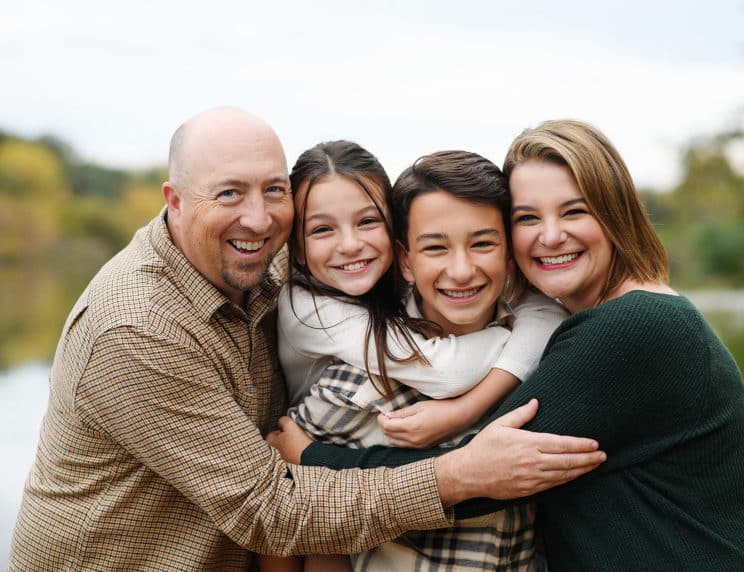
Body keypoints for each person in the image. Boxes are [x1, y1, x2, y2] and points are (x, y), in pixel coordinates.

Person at [7, 108, 607, 571]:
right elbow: (271, 511)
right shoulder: (136, 331)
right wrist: (461, 475)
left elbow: (533, 304)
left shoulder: (275, 267)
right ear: (175, 201)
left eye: (273, 190)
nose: (259, 217)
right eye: (228, 193)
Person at [274, 119, 744, 571]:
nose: (550, 236)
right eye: (529, 218)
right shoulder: (594, 319)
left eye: (573, 211)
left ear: (615, 212)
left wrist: (315, 459)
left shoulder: (634, 326)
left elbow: (481, 476)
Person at [268, 144, 568, 571]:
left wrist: (462, 410)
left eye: (367, 221)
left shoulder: (397, 304)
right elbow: (292, 500)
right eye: (321, 230)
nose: (350, 245)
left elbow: (547, 312)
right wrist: (505, 342)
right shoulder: (318, 323)